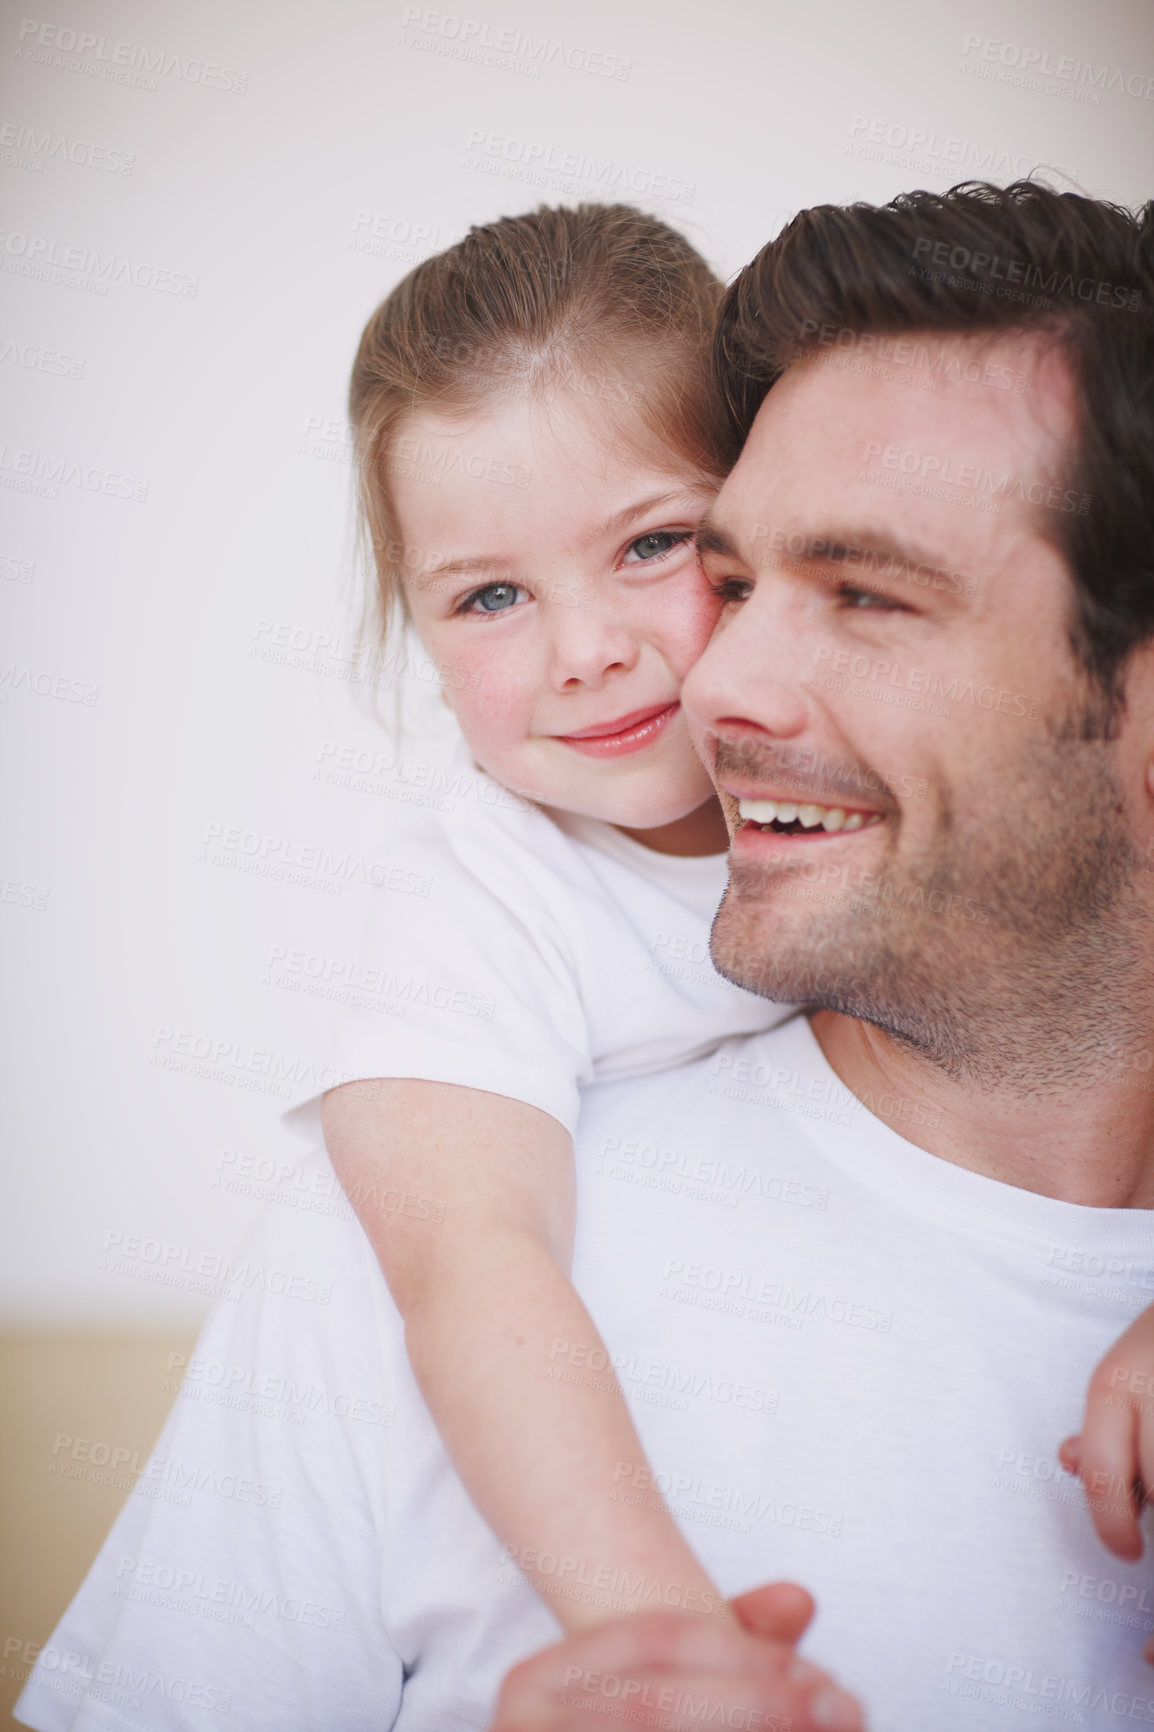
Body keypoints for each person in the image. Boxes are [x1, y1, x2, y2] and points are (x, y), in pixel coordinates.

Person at [15, 180, 1154, 1732]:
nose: (622, 658)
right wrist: (671, 1639)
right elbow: (464, 1260)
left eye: (671, 553)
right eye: (489, 596)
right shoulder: (473, 951)